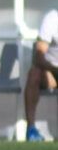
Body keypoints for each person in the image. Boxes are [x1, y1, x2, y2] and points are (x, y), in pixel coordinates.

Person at [23, 9, 58, 141]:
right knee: (34, 74)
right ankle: (31, 129)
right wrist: (54, 69)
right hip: (52, 71)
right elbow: (38, 57)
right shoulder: (52, 19)